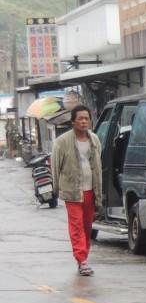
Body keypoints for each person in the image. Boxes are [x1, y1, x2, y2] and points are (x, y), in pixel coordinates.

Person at [51, 105, 103, 276]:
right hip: (72, 190)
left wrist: (99, 191)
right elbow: (55, 166)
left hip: (90, 190)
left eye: (86, 118)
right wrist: (55, 189)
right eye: (80, 118)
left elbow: (98, 165)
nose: (83, 121)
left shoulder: (94, 139)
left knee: (87, 226)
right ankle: (82, 260)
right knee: (76, 225)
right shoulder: (62, 141)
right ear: (73, 121)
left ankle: (83, 257)